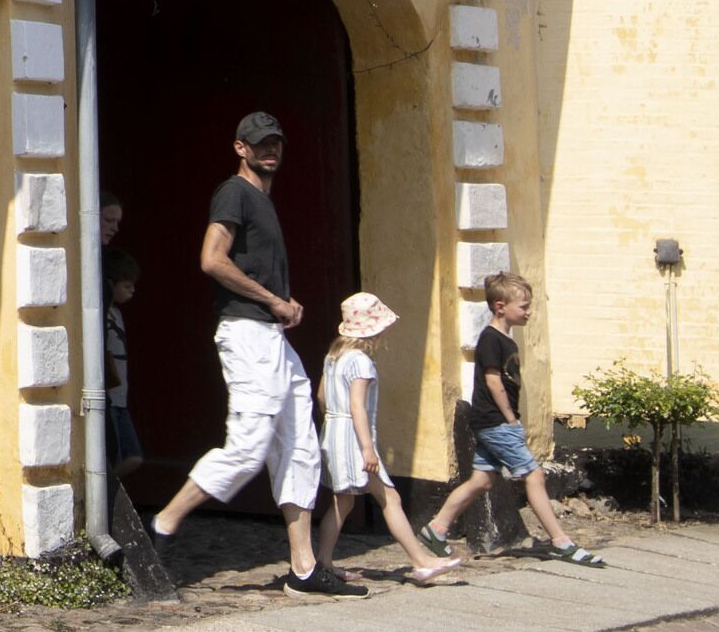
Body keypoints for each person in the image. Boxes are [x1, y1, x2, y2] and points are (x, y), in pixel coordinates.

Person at [136, 114, 355, 595]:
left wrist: (283, 302)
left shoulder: (263, 200)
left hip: (271, 337)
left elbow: (258, 272)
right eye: (260, 144)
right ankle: (162, 527)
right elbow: (211, 259)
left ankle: (304, 569)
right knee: (250, 446)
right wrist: (272, 300)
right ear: (240, 147)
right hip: (246, 333)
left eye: (276, 143)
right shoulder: (233, 193)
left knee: (299, 444)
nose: (270, 151)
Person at [421, 273, 608, 565]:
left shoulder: (505, 340)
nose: (528, 311)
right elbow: (493, 381)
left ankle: (436, 529)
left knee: (481, 481)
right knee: (534, 475)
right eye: (523, 306)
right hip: (496, 421)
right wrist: (510, 418)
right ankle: (562, 541)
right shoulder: (491, 339)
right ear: (500, 306)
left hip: (491, 422)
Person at [312, 292, 462, 584]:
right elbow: (358, 406)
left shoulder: (333, 357)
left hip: (335, 434)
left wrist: (332, 427)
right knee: (390, 498)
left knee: (342, 503)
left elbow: (320, 396)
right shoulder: (361, 362)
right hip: (356, 440)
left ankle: (324, 563)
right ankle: (421, 561)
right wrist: (367, 449)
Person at [101, 249, 144, 497]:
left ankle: (106, 489)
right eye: (127, 285)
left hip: (120, 398)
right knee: (120, 452)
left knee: (133, 456)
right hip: (111, 398)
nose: (132, 291)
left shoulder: (116, 313)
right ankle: (104, 492)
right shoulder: (104, 314)